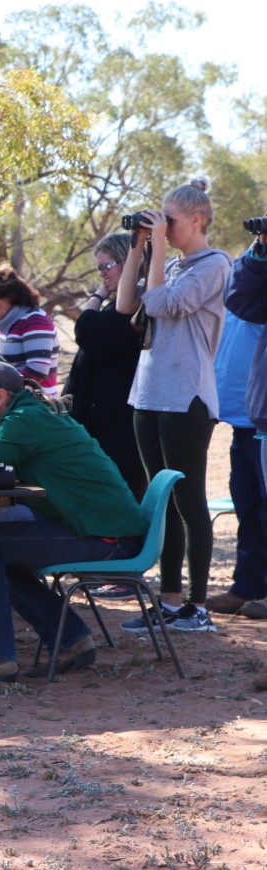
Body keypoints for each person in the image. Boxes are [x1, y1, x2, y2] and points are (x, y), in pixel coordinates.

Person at [0, 361, 147, 681]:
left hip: (107, 535)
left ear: (1, 395)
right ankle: (71, 640)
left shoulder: (24, 421)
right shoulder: (29, 415)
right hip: (97, 526)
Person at [115, 176, 232, 634]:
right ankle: (169, 601)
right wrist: (138, 247)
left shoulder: (214, 264)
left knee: (189, 500)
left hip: (187, 396)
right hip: (148, 393)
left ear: (197, 219)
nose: (164, 227)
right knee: (159, 501)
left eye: (170, 220)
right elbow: (127, 304)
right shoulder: (173, 264)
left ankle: (197, 606)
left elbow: (165, 305)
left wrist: (158, 249)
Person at [64, 232, 147, 502]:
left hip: (118, 425)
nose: (102, 274)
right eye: (99, 268)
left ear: (127, 260)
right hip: (102, 421)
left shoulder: (133, 304)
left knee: (120, 496)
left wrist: (98, 295)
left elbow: (87, 329)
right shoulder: (119, 305)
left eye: (106, 266)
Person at [204, 310, 267, 615]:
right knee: (248, 506)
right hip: (240, 421)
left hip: (263, 420)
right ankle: (247, 587)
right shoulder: (240, 288)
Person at [223, 222, 267, 656]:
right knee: (249, 503)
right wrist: (259, 250)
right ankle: (248, 586)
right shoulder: (257, 266)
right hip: (251, 413)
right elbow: (239, 298)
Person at [0, 264, 60, 395]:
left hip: (36, 406)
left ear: (9, 296)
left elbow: (37, 372)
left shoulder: (34, 321)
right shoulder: (6, 323)